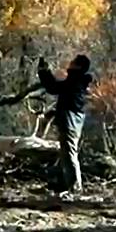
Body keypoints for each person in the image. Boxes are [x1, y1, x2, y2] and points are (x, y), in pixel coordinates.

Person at [35, 53, 97, 189]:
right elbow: (57, 88)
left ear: (78, 66)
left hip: (71, 118)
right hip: (73, 118)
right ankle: (65, 183)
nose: (70, 63)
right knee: (66, 151)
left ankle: (74, 187)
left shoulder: (75, 80)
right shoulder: (77, 80)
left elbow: (54, 88)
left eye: (73, 61)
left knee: (69, 152)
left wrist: (44, 72)